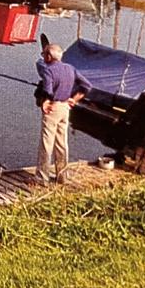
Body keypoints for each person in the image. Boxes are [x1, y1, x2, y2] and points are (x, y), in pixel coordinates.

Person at [34, 43, 91, 185]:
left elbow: (47, 90)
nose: (44, 57)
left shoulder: (48, 70)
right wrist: (74, 99)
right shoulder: (70, 68)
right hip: (65, 107)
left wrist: (45, 102)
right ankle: (62, 176)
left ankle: (42, 177)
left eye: (44, 54)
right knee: (62, 143)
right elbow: (87, 85)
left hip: (53, 108)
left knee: (46, 143)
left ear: (48, 56)